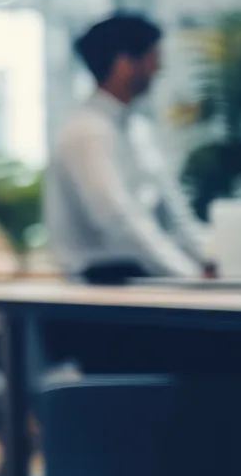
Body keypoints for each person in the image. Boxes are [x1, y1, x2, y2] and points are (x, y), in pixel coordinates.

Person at [45, 14, 209, 282]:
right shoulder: (86, 132)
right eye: (153, 57)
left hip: (148, 279)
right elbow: (118, 219)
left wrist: (207, 261)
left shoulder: (137, 129)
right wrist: (186, 274)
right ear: (124, 64)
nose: (159, 68)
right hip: (102, 286)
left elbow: (174, 212)